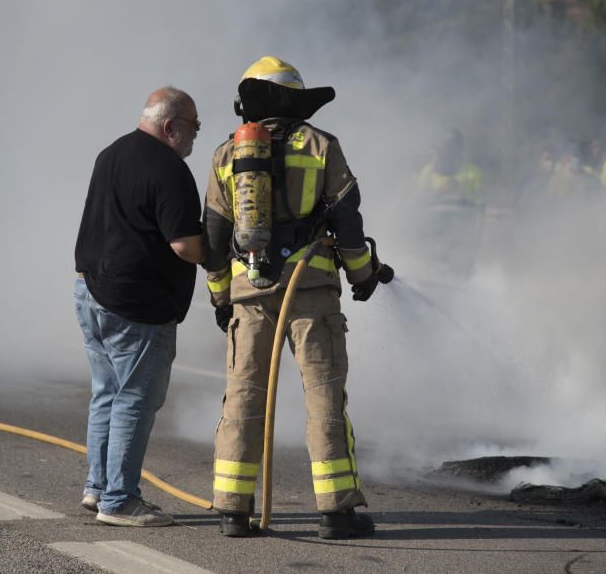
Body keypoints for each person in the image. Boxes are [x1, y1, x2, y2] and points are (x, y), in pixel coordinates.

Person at [202, 56, 387, 540]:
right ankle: (336, 512)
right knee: (323, 396)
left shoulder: (227, 155)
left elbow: (214, 240)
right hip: (311, 294)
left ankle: (232, 512)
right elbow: (349, 223)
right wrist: (363, 274)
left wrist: (223, 299)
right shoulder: (323, 146)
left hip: (249, 295)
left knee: (243, 397)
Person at [73, 86, 205, 527]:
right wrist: (224, 250)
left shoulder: (110, 154)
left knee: (107, 393)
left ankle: (98, 488)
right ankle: (120, 501)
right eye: (194, 128)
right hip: (137, 306)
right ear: (172, 127)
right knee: (134, 398)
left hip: (91, 293)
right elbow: (185, 245)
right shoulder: (169, 169)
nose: (195, 139)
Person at [415, 129, 483, 204]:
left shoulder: (473, 172)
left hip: (465, 214)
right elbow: (419, 202)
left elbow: (481, 202)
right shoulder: (429, 171)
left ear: (462, 149)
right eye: (448, 146)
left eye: (455, 146)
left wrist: (461, 193)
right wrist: (441, 191)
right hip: (435, 215)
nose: (451, 150)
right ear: (442, 148)